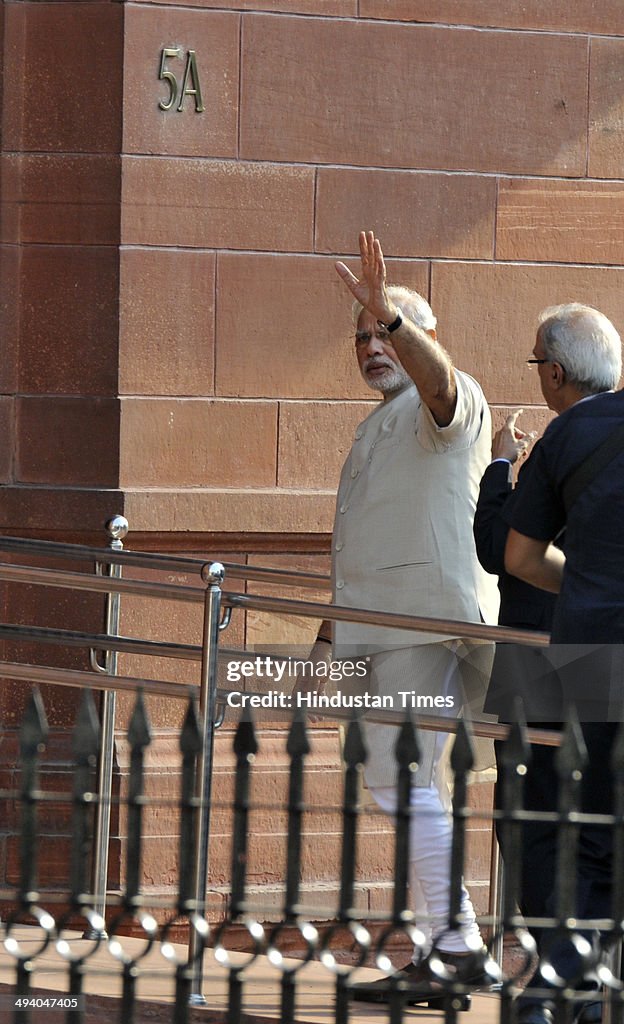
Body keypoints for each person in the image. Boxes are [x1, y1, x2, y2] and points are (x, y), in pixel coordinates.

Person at [296, 231, 499, 1006]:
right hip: (375, 631)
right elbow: (359, 553)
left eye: (384, 332)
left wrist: (395, 319)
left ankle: (455, 943)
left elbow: (439, 381)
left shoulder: (446, 405)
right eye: (362, 337)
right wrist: (324, 643)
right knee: (399, 779)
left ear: (421, 336)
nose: (371, 346)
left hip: (422, 626)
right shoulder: (375, 428)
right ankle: (446, 943)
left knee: (401, 775)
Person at [501, 303, 623, 1024]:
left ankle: (559, 984)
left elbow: (516, 556)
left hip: (583, 647)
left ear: (553, 373)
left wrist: (582, 582)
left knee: (572, 822)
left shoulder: (564, 435)